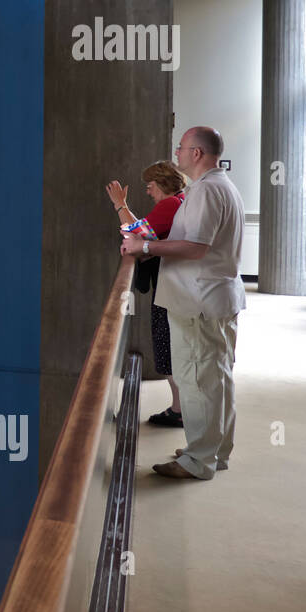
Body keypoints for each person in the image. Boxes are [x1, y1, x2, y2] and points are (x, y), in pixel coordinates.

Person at [121, 127, 245, 480]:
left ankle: (198, 460)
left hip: (198, 301)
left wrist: (144, 248)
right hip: (213, 298)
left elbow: (195, 247)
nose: (176, 153)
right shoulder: (221, 187)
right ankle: (214, 451)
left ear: (196, 153)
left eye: (181, 147)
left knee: (196, 381)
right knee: (216, 378)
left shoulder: (207, 191)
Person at [106, 160, 187, 427]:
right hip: (174, 284)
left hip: (170, 287)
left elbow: (138, 233)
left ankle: (180, 410)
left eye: (150, 186)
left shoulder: (170, 204)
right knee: (170, 348)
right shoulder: (179, 202)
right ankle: (179, 408)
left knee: (168, 349)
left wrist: (120, 206)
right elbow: (144, 233)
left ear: (163, 184)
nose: (148, 192)